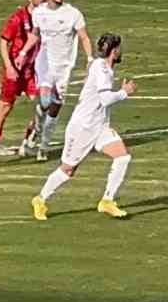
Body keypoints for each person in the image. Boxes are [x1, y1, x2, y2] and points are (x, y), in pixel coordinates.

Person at [31, 33, 137, 221]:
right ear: (114, 51)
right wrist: (124, 92)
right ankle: (40, 199)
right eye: (119, 48)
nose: (121, 51)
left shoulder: (104, 68)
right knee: (68, 169)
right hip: (82, 128)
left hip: (100, 127)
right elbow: (105, 99)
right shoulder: (101, 69)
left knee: (123, 157)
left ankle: (107, 201)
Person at [30, 0, 93, 156]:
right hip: (45, 62)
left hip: (64, 67)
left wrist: (89, 59)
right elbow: (35, 35)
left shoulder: (72, 13)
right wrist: (23, 53)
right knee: (44, 101)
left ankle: (44, 144)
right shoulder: (39, 12)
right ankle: (37, 129)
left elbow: (84, 37)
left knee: (55, 107)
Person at [0, 0, 47, 158]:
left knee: (43, 104)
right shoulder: (18, 18)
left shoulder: (46, 17)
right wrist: (9, 66)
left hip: (32, 71)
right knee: (5, 106)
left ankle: (28, 142)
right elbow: (4, 41)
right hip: (15, 69)